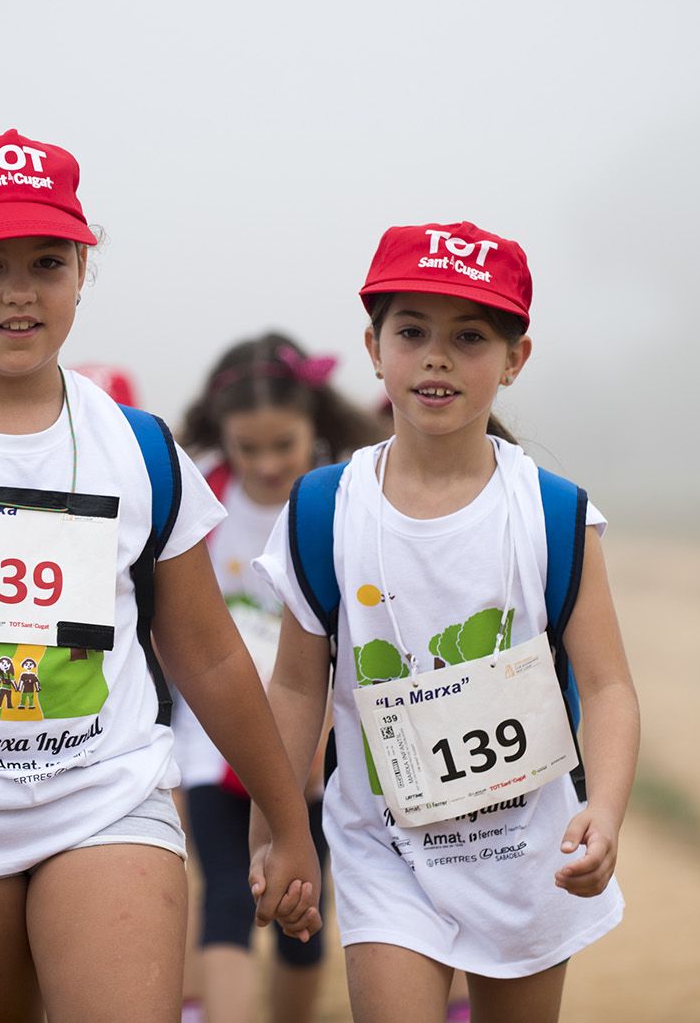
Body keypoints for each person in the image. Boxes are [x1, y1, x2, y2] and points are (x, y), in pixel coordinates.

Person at [0, 129, 322, 1023]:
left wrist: (285, 821)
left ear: (83, 267)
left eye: (47, 261)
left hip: (104, 801)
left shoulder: (143, 451)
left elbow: (209, 657)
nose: (18, 292)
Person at [251, 222, 640, 1023]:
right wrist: (275, 831)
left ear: (514, 359)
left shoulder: (551, 514)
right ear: (374, 345)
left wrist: (603, 811)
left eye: (469, 337)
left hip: (531, 854)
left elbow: (606, 689)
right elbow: (294, 689)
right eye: (412, 332)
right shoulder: (326, 511)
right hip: (385, 853)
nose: (436, 357)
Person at [173, 334, 381, 1023]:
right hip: (211, 743)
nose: (264, 464)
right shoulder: (196, 499)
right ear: (220, 436)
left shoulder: (348, 497)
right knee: (230, 892)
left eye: (282, 446)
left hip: (315, 747)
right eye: (246, 448)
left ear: (314, 426)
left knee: (300, 903)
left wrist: (323, 725)